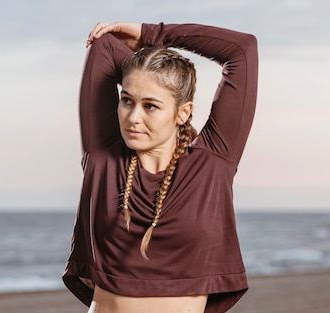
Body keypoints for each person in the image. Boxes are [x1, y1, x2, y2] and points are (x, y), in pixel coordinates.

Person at [63, 21, 258, 313]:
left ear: (183, 112)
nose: (133, 118)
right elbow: (104, 47)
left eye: (150, 106)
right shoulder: (102, 157)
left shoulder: (213, 163)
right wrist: (146, 67)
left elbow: (242, 50)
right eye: (126, 100)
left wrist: (151, 35)